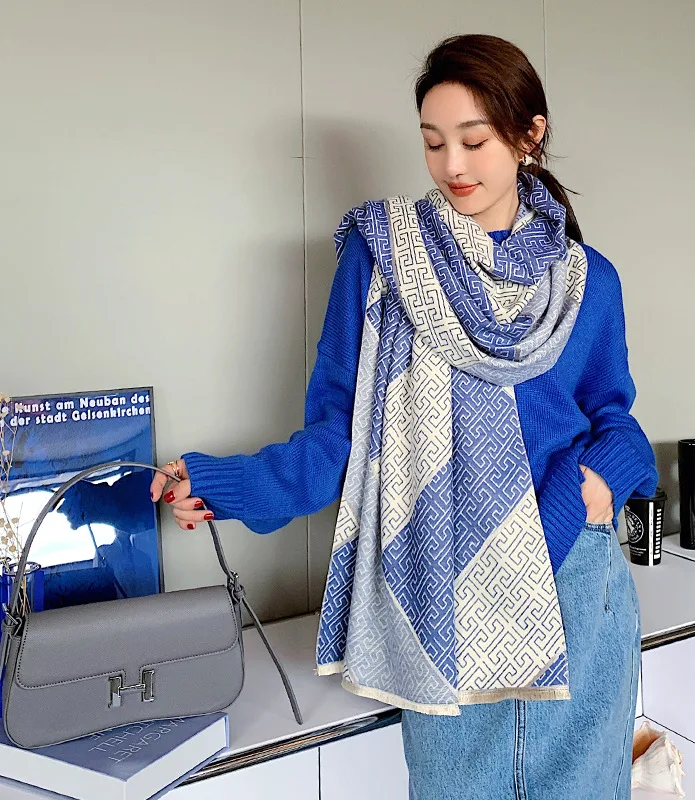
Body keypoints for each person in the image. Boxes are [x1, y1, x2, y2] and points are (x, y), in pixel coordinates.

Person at [150, 34, 657, 800]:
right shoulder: (384, 256)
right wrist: (225, 484)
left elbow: (614, 421)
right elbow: (340, 435)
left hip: (575, 584)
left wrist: (594, 486)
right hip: (440, 588)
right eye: (432, 141)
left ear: (530, 134)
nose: (452, 165)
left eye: (474, 141)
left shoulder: (588, 281)